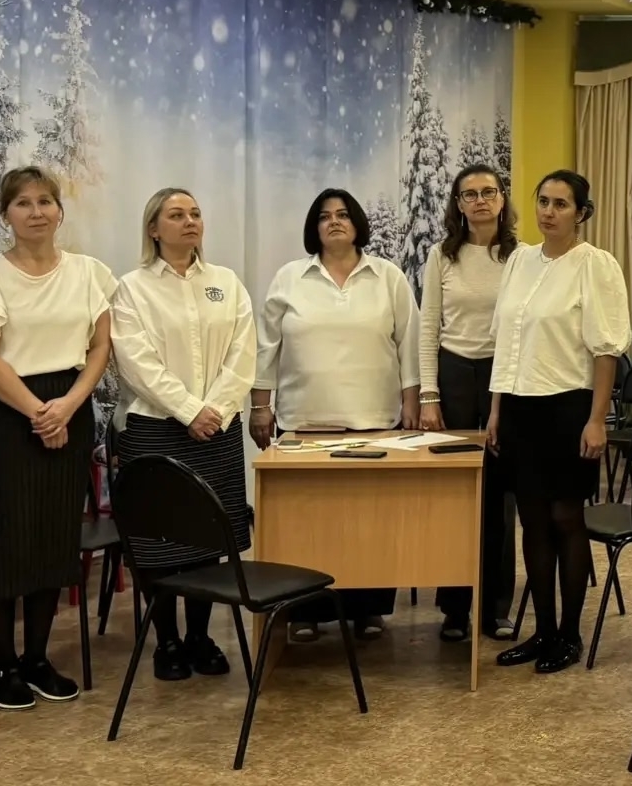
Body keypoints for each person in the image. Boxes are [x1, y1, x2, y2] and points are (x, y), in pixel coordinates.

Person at [0, 167, 117, 711]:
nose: (36, 212)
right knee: (5, 541)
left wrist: (67, 407)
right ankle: (4, 665)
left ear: (59, 211)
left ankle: (38, 658)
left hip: (69, 405)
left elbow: (99, 349)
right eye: (23, 203)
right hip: (6, 415)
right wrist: (39, 413)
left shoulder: (90, 273)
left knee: (53, 538)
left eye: (45, 201)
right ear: (5, 213)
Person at [252, 189, 416, 643]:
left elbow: (409, 343)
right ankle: (303, 611)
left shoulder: (387, 277)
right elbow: (266, 347)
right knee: (307, 525)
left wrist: (414, 402)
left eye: (343, 214)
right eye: (324, 217)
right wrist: (260, 406)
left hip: (376, 422)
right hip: (304, 424)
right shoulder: (290, 277)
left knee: (370, 524)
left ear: (358, 223)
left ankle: (368, 610)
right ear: (314, 228)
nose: (335, 222)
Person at [109, 187, 258, 683]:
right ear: (154, 229)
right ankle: (167, 640)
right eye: (176, 215)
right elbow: (135, 361)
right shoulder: (132, 288)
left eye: (195, 213)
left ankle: (199, 635)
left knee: (206, 537)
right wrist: (190, 410)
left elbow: (243, 353)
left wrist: (214, 409)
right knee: (158, 541)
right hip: (156, 428)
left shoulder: (226, 283)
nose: (190, 221)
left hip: (217, 427)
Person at [486, 170, 631, 674]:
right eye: (543, 201)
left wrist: (597, 419)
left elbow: (606, 350)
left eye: (561, 204)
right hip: (520, 407)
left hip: (570, 407)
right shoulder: (520, 261)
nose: (549, 212)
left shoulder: (595, 265)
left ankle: (569, 635)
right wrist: (496, 411)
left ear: (581, 213)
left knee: (566, 519)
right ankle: (542, 630)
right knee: (531, 521)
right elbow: (506, 345)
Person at [421, 164, 522, 643]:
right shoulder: (442, 256)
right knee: (457, 495)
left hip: (505, 379)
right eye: (469, 194)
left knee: (500, 498)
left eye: (488, 192)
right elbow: (428, 327)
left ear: (502, 199)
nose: (480, 201)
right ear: (458, 205)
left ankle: (497, 607)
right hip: (454, 374)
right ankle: (455, 608)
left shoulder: (521, 257)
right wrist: (429, 394)